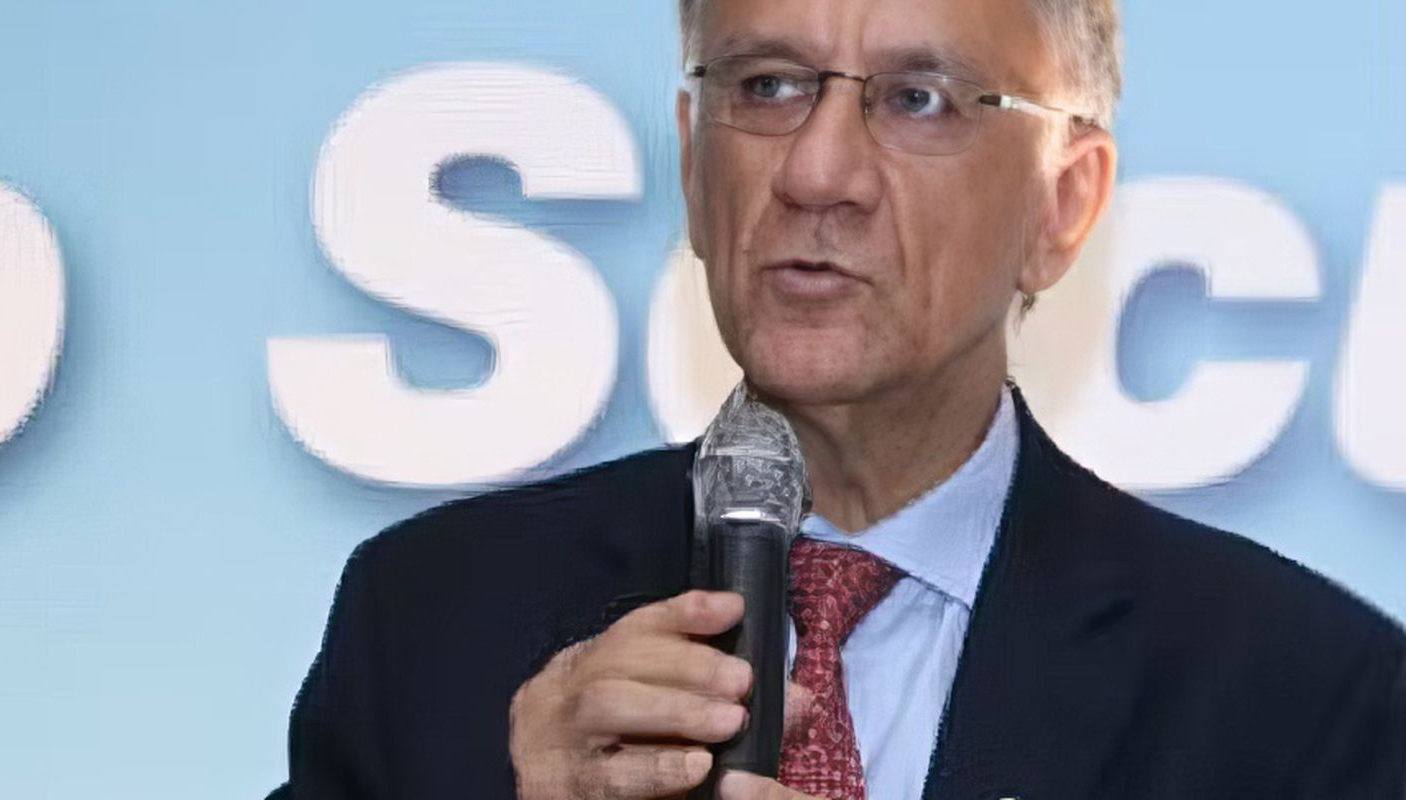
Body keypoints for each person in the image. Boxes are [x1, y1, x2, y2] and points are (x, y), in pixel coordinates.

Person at [267, 0, 1406, 797]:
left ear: (1063, 203)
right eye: (767, 86)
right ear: (693, 161)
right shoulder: (430, 621)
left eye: (918, 100)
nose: (816, 173)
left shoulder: (1302, 699)